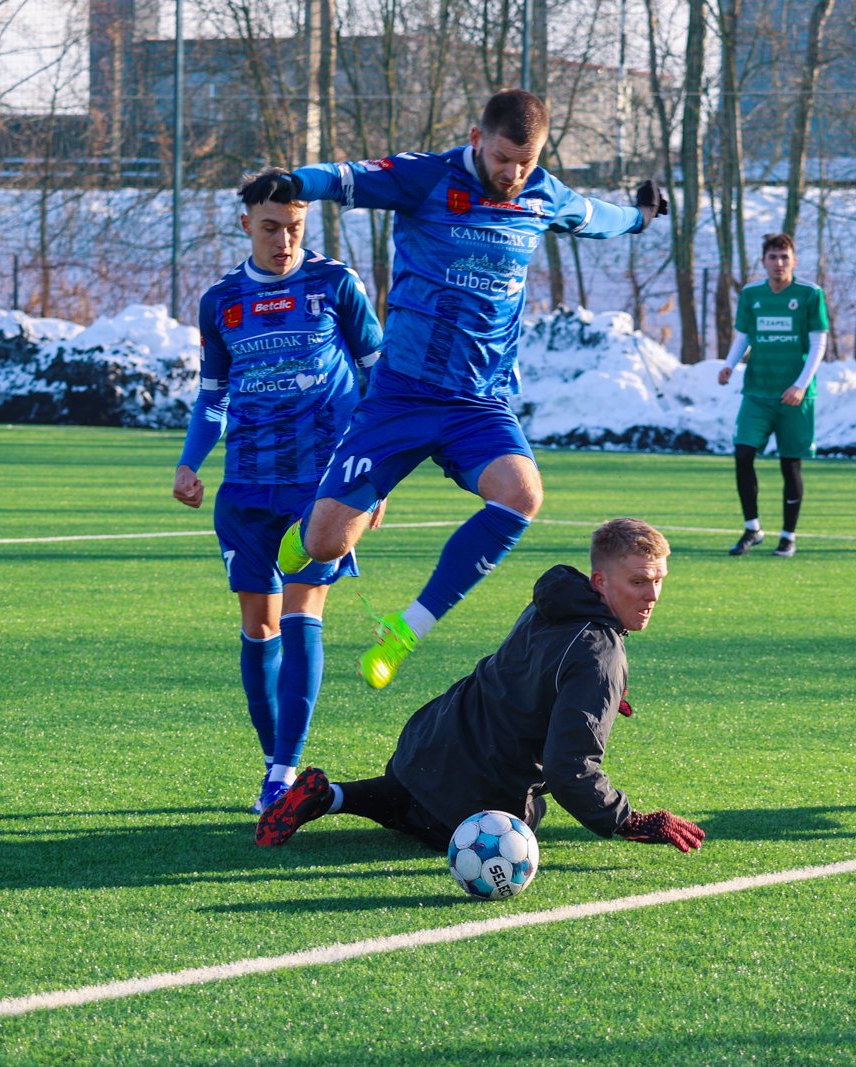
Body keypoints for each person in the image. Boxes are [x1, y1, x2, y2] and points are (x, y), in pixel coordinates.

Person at [255, 88, 669, 689]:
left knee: (522, 495)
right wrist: (295, 181)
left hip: (478, 403)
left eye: (526, 162)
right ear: (477, 140)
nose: (513, 174)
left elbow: (597, 218)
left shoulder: (542, 194)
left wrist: (641, 216)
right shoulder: (427, 178)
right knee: (323, 546)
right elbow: (348, 178)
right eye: (503, 159)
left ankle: (406, 630)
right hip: (403, 395)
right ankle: (306, 532)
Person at [256, 518, 706, 856]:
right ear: (601, 581)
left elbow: (540, 670)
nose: (651, 596)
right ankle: (413, 814)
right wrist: (628, 820)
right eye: (638, 582)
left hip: (428, 739)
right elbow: (569, 768)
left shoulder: (555, 600)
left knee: (409, 792)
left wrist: (592, 692)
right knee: (522, 821)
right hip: (481, 791)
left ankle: (330, 796)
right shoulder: (600, 656)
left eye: (658, 581)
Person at [174, 169, 384, 814]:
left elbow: (380, 383)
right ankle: (276, 767)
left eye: (294, 227)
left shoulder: (336, 284)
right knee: (258, 626)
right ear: (246, 225)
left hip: (320, 489)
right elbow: (213, 395)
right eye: (270, 227)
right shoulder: (221, 301)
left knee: (300, 616)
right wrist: (189, 463)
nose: (284, 241)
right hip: (244, 489)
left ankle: (283, 771)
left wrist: (374, 477)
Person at [716, 232, 830, 558]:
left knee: (790, 465)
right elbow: (744, 335)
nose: (779, 263)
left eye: (784, 257)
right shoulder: (751, 294)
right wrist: (729, 364)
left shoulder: (810, 294)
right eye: (773, 257)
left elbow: (818, 343)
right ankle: (752, 528)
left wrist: (801, 384)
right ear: (763, 261)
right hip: (757, 392)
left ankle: (788, 535)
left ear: (794, 260)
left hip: (795, 396)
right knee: (743, 455)